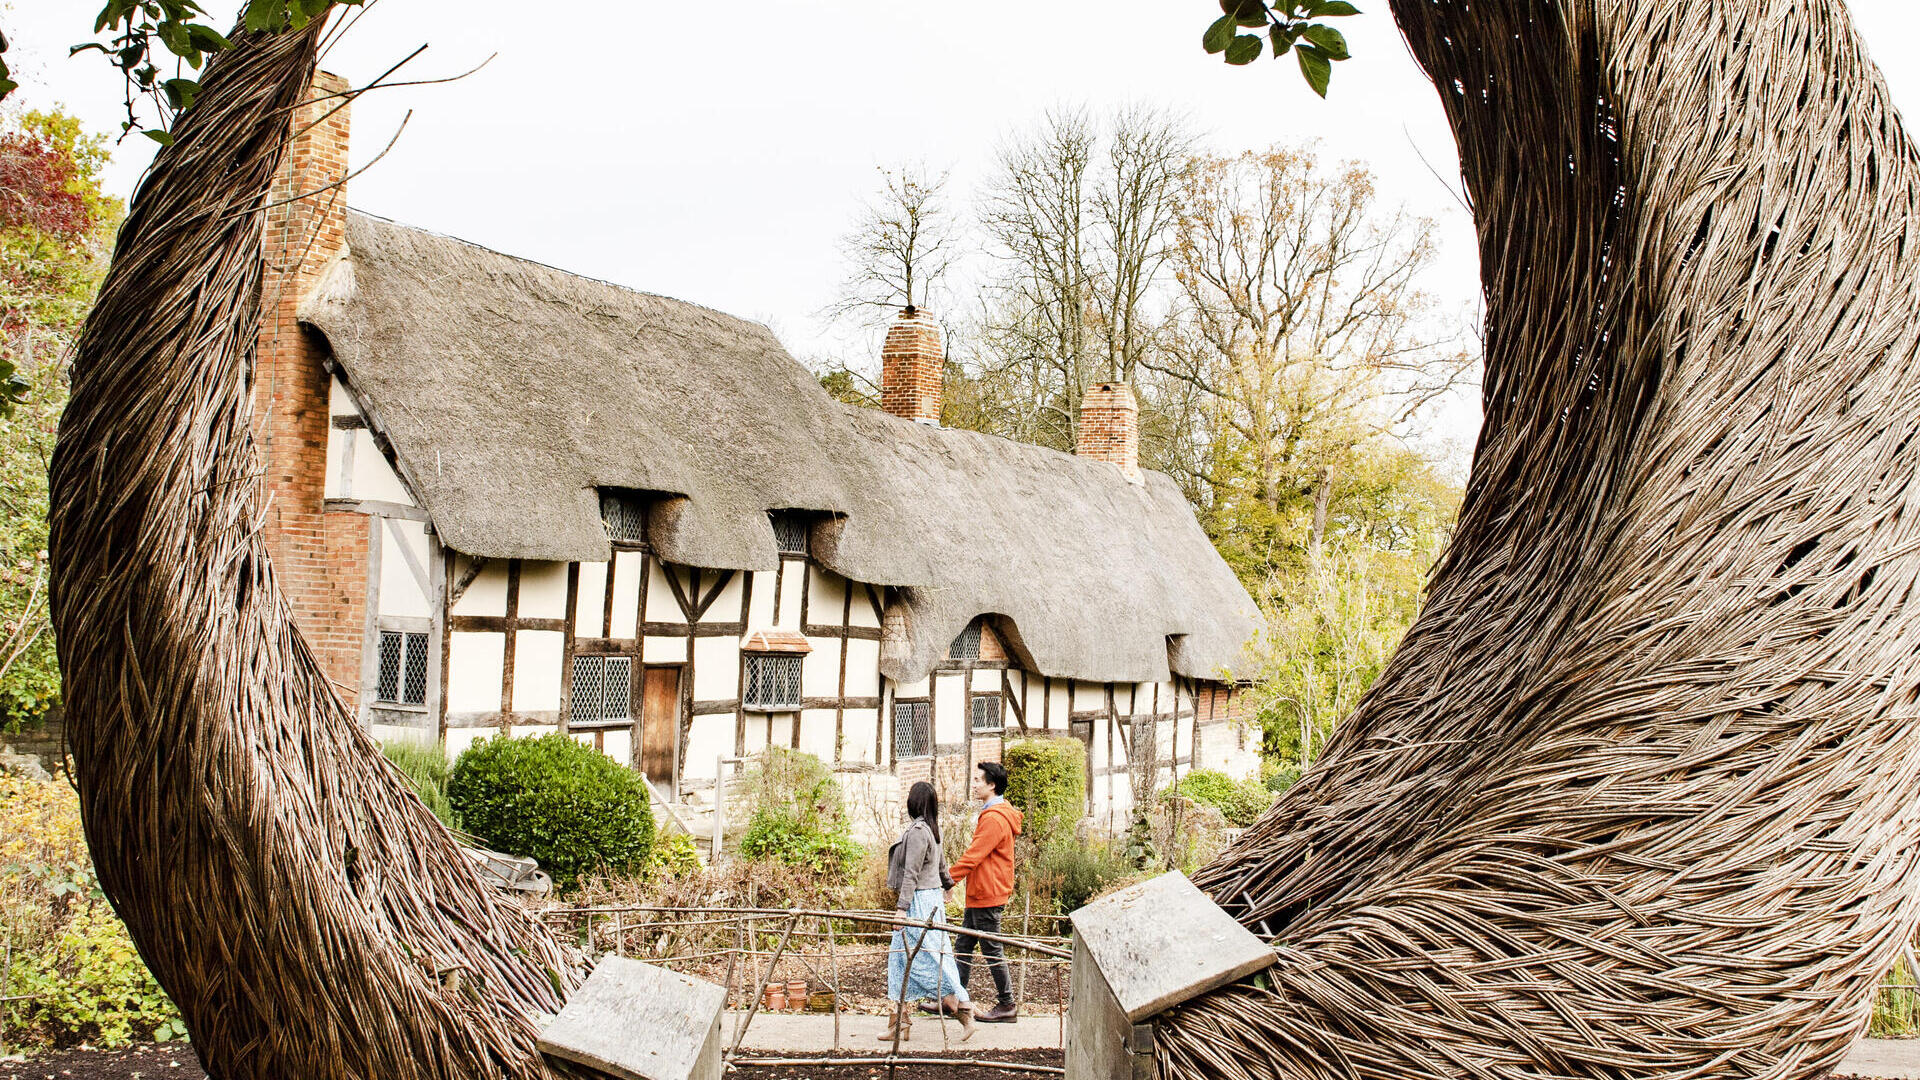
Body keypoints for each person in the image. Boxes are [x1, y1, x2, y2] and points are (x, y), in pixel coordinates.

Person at [881, 781, 974, 1042]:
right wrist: (947, 885)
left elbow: (911, 874)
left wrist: (901, 910)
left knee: (928, 959)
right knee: (899, 959)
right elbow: (942, 865)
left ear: (914, 802)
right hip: (928, 899)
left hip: (919, 903)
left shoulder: (920, 832)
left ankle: (961, 1006)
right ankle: (899, 1023)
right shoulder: (932, 829)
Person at [937, 761, 1023, 1023]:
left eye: (977, 780)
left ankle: (1007, 1004)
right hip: (982, 890)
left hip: (988, 892)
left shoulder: (995, 819)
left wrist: (948, 879)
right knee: (964, 944)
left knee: (991, 948)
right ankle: (955, 997)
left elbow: (974, 856)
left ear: (992, 785)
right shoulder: (993, 814)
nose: (973, 785)